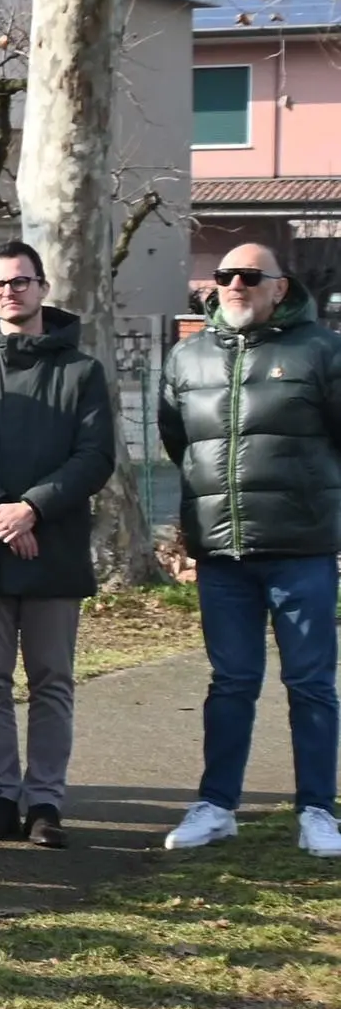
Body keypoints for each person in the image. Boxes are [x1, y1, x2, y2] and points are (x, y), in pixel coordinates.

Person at [0, 242, 116, 848]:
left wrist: (32, 508)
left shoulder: (81, 372)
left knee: (52, 680)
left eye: (21, 281)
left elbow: (94, 457)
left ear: (43, 288)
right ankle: (1, 795)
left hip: (53, 548)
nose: (10, 292)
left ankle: (46, 802)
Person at [156, 241, 341, 857]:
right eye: (225, 275)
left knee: (310, 683)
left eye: (249, 276)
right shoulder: (186, 357)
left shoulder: (322, 351)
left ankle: (317, 810)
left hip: (302, 549)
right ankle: (216, 806)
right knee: (231, 682)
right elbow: (178, 440)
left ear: (279, 288)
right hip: (222, 553)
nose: (234, 284)